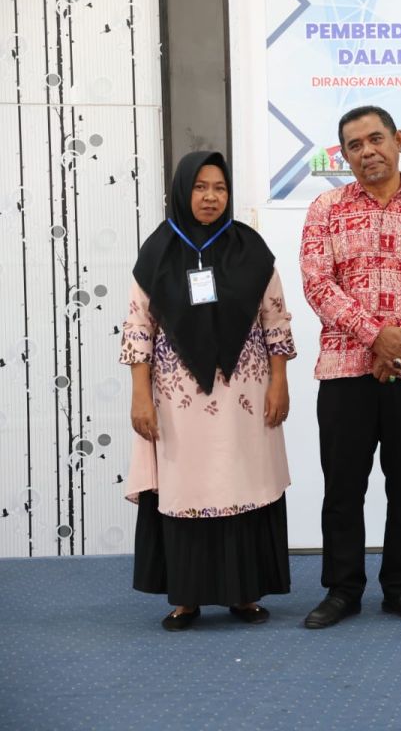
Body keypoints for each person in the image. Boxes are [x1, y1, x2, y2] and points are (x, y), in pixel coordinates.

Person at [299, 105, 401, 628]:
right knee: (343, 487)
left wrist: (399, 343)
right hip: (345, 370)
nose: (366, 152)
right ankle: (342, 590)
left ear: (398, 139)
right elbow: (318, 285)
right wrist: (375, 336)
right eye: (354, 145)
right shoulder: (325, 208)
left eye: (375, 139)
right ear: (343, 155)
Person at [122, 150, 295, 631]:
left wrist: (279, 383)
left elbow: (276, 322)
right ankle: (186, 597)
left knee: (242, 482)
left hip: (246, 399)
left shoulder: (252, 250)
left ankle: (244, 593)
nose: (211, 197)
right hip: (179, 403)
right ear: (182, 191)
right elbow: (138, 331)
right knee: (186, 487)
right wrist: (140, 396)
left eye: (219, 187)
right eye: (200, 187)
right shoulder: (157, 252)